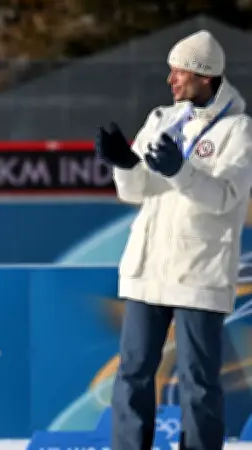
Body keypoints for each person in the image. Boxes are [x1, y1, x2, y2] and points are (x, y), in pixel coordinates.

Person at [95, 30, 252, 450]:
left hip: (198, 272)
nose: (171, 80)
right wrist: (125, 164)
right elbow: (135, 190)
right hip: (149, 268)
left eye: (179, 71)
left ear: (205, 75)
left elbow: (225, 197)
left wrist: (180, 171)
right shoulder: (162, 118)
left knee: (197, 382)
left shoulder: (238, 131)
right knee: (132, 372)